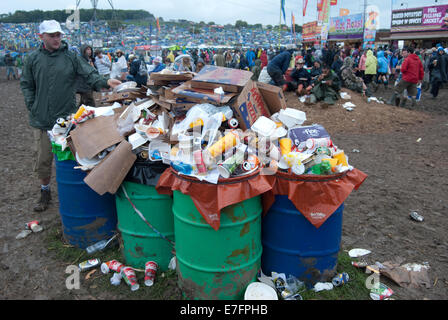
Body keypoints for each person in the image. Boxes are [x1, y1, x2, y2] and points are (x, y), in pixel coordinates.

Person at [20, 20, 121, 212]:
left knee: (73, 157)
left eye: (58, 34)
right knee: (43, 159)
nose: (56, 38)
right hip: (41, 119)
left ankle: (80, 194)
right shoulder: (32, 59)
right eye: (52, 35)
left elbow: (89, 74)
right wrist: (31, 104)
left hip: (67, 118)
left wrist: (106, 81)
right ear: (41, 37)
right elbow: (26, 84)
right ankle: (45, 191)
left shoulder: (71, 57)